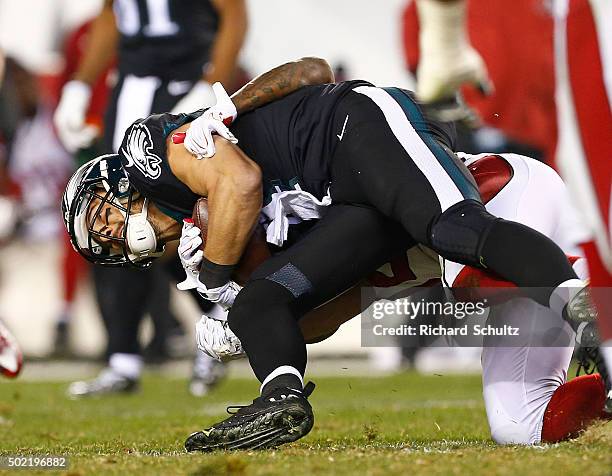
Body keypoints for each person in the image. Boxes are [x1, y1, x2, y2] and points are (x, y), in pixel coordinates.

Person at [62, 63, 600, 450]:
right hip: (387, 218)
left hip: (494, 193)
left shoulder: (157, 152)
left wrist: (219, 284)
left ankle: (600, 325)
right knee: (520, 427)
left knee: (449, 232)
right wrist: (245, 312)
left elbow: (243, 179)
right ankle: (281, 399)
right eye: (103, 246)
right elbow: (318, 318)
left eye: (101, 221)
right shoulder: (278, 226)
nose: (111, 235)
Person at [54, 0, 248, 397]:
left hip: (182, 86)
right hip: (128, 91)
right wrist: (80, 84)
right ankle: (123, 357)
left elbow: (234, 14)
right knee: (109, 223)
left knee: (170, 222)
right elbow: (113, 14)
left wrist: (211, 81)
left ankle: (217, 313)